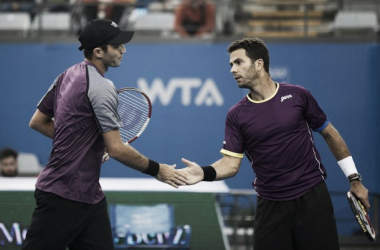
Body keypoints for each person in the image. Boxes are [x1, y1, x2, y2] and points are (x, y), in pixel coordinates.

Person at [179, 37, 370, 250]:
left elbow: (330, 134)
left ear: (259, 64)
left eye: (238, 62)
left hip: (312, 198)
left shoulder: (298, 95)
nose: (233, 69)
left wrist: (354, 179)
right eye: (231, 64)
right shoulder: (236, 115)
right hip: (270, 206)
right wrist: (203, 173)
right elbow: (230, 165)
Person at [22, 19, 187, 250]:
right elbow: (117, 148)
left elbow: (38, 122)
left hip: (90, 198)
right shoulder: (101, 86)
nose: (123, 49)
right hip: (62, 196)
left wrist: (84, 146)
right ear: (98, 51)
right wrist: (158, 170)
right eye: (117, 45)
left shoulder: (66, 75)